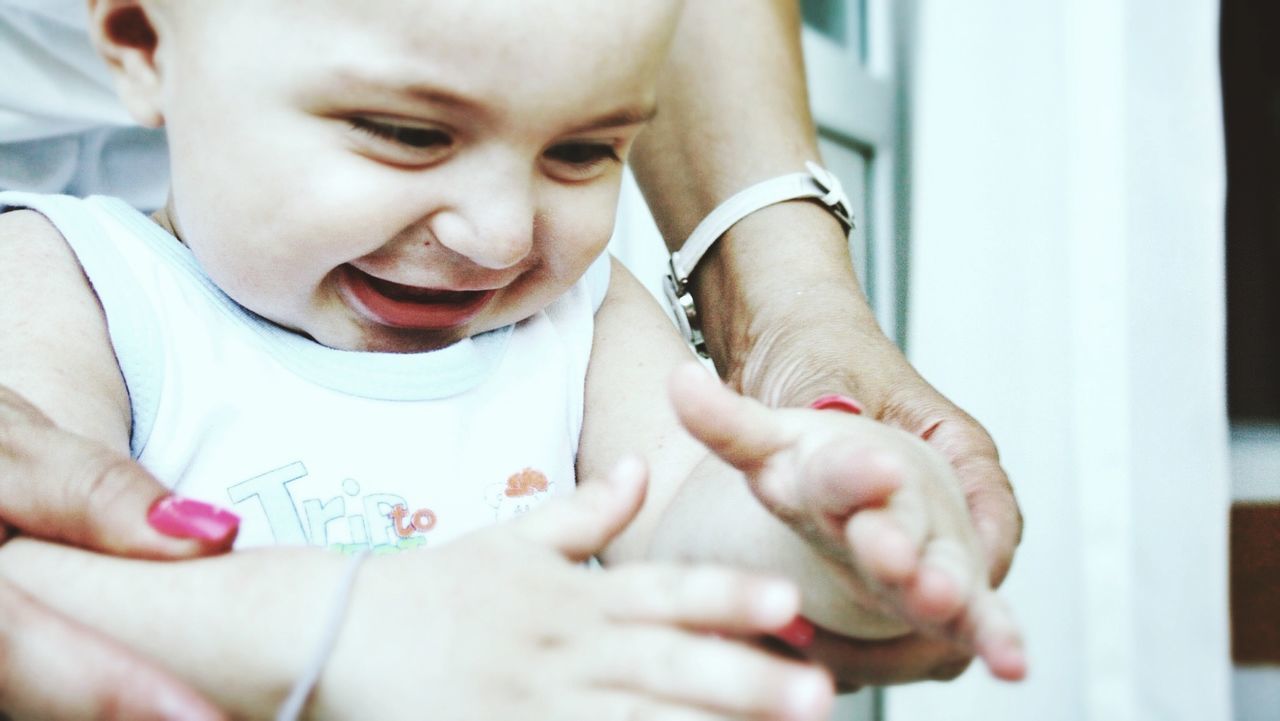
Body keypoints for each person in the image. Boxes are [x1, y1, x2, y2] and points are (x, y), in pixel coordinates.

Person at [0, 0, 1025, 718]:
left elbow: (692, 518)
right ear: (141, 45)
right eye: (408, 133)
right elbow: (30, 587)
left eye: (582, 152)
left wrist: (836, 535)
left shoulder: (575, 318)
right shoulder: (72, 282)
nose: (497, 236)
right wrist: (341, 629)